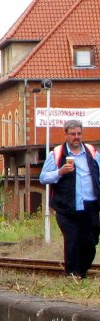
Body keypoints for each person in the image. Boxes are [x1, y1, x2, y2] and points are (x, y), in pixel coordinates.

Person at [39, 119, 100, 279]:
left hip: (90, 206)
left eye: (79, 134)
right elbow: (43, 177)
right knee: (72, 241)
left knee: (90, 243)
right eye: (73, 134)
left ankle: (82, 271)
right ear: (65, 134)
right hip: (66, 207)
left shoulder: (92, 152)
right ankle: (73, 275)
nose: (76, 137)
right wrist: (60, 172)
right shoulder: (57, 154)